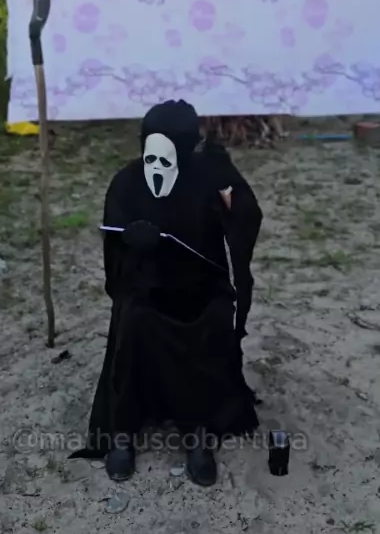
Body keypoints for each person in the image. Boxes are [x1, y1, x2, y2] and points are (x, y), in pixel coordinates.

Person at [69, 99, 263, 486]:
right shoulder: (126, 182)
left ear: (185, 154)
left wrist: (230, 185)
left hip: (201, 287)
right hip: (146, 287)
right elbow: (113, 246)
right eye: (150, 158)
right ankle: (123, 431)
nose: (156, 168)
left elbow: (244, 217)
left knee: (213, 321)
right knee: (133, 321)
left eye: (166, 160)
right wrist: (129, 242)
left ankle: (198, 433)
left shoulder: (206, 178)